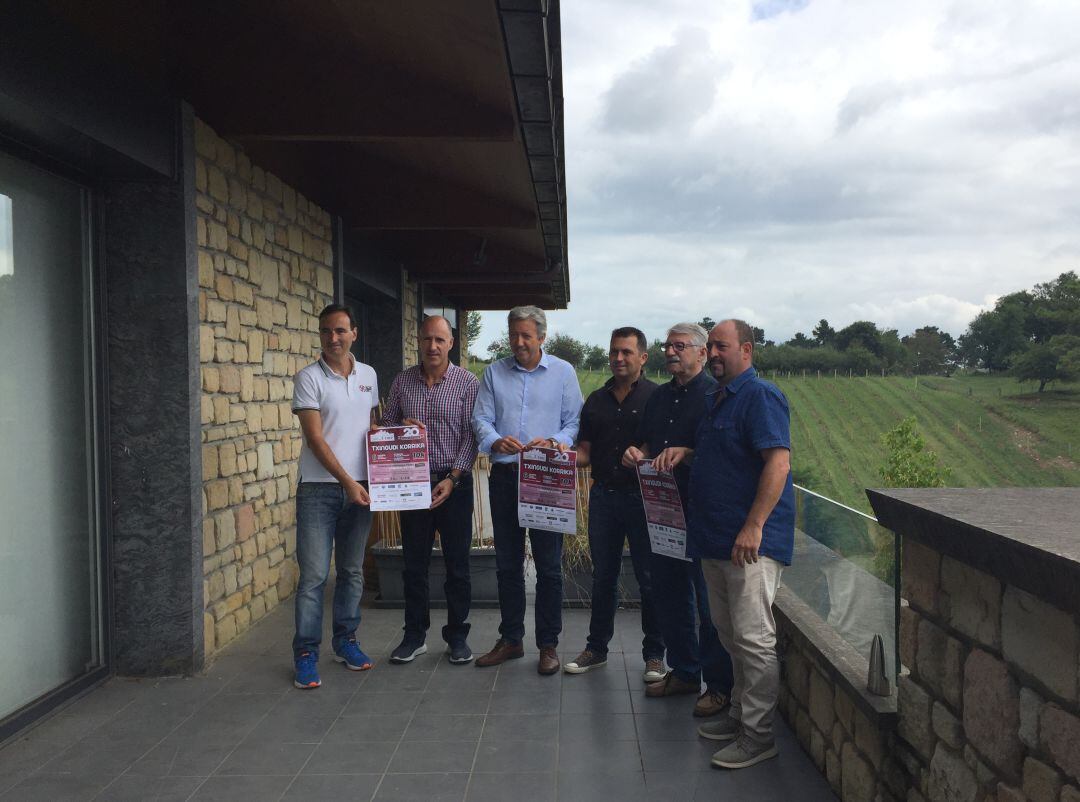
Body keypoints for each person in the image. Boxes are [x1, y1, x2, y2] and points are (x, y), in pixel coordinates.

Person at [655, 319, 795, 769]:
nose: (713, 353)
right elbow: (729, 457)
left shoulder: (761, 396)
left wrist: (754, 525)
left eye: (722, 346)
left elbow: (777, 463)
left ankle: (758, 736)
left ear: (747, 350)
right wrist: (689, 452)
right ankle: (739, 716)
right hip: (715, 541)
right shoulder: (719, 400)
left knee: (754, 641)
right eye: (710, 346)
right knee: (731, 636)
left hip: (748, 544)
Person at [621, 322, 734, 717]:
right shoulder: (657, 397)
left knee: (709, 603)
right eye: (668, 346)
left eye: (681, 346)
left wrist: (685, 453)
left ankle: (718, 686)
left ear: (702, 354)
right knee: (669, 593)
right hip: (662, 509)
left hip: (702, 511)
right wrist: (637, 452)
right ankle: (685, 671)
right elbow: (649, 443)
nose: (672, 352)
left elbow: (723, 456)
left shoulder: (715, 396)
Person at [472, 305, 583, 675]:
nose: (518, 342)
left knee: (550, 568)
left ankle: (548, 644)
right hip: (505, 479)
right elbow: (481, 418)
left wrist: (554, 440)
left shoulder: (564, 373)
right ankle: (511, 639)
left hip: (545, 476)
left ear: (542, 337)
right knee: (507, 565)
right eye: (513, 335)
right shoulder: (493, 372)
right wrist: (493, 440)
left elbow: (574, 422)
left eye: (526, 336)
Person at [381, 316, 480, 666]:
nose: (433, 346)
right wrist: (400, 426)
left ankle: (457, 636)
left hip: (453, 483)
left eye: (440, 339)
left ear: (451, 343)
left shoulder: (468, 383)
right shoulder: (403, 381)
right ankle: (414, 635)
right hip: (412, 484)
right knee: (414, 565)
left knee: (458, 566)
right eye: (427, 339)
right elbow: (385, 425)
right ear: (418, 341)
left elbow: (472, 434)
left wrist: (453, 477)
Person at [565, 327, 663, 677]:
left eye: (625, 352)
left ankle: (654, 654)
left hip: (644, 499)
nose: (618, 358)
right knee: (603, 576)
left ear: (643, 357)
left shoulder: (658, 397)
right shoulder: (596, 399)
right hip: (604, 496)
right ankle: (596, 648)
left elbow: (664, 445)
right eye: (613, 352)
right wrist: (558, 455)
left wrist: (647, 452)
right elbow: (585, 453)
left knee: (648, 577)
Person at [290, 304, 379, 689]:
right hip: (318, 490)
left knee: (352, 571)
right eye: (326, 331)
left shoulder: (369, 376)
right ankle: (306, 655)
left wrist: (398, 435)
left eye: (340, 330)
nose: (333, 338)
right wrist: (347, 482)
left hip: (361, 488)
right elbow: (315, 438)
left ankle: (346, 643)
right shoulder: (308, 378)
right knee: (312, 577)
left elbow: (372, 426)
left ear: (354, 333)